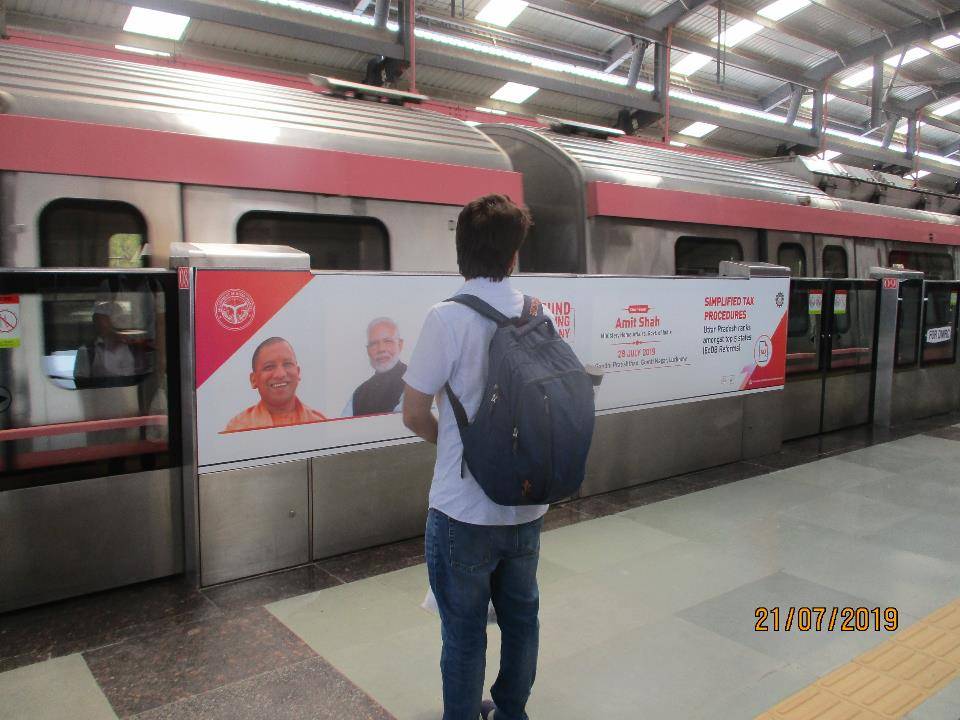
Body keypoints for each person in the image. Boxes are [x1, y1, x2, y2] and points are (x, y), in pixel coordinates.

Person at [403, 194, 547, 720]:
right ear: (513, 256)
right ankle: (511, 712)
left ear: (460, 252)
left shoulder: (446, 319)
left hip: (463, 508)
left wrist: (462, 447)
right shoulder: (538, 311)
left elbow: (414, 412)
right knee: (521, 619)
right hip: (527, 502)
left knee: (463, 636)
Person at [223, 336, 326, 432]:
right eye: (269, 367)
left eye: (287, 364)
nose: (280, 374)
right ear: (253, 380)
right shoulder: (237, 428)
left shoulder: (319, 423)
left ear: (298, 372)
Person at [341, 317, 406, 417]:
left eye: (387, 341)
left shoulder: (414, 383)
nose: (381, 349)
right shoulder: (359, 394)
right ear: (368, 351)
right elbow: (342, 429)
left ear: (400, 345)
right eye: (374, 344)